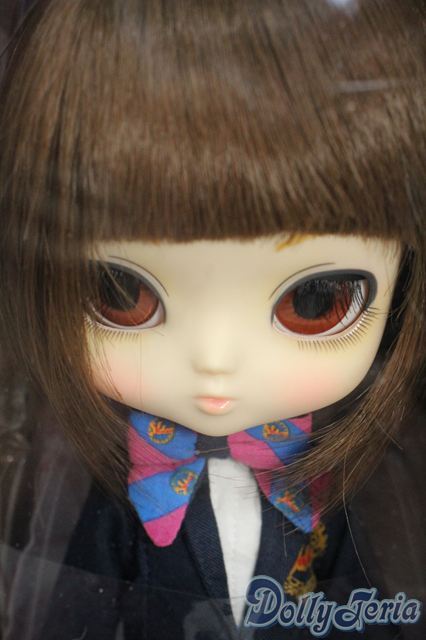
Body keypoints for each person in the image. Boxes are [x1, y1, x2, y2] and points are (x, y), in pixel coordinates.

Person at [0, 1, 424, 638]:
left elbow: (364, 594)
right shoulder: (118, 489)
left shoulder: (330, 482)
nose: (214, 361)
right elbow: (77, 607)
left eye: (314, 302)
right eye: (123, 296)